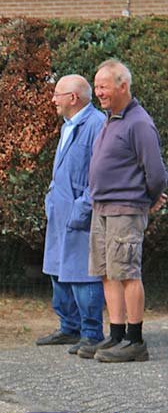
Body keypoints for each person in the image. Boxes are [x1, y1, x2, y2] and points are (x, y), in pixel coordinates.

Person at [82, 59, 168, 363]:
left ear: (123, 86)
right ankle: (116, 335)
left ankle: (135, 340)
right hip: (102, 207)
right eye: (96, 85)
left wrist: (147, 199)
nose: (98, 92)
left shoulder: (139, 123)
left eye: (103, 86)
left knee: (128, 273)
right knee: (108, 273)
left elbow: (156, 173)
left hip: (124, 209)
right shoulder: (111, 118)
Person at [36, 75, 106, 355]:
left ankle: (91, 333)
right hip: (60, 210)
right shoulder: (69, 126)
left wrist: (82, 208)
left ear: (73, 98)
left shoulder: (97, 125)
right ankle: (69, 327)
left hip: (81, 214)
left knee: (83, 275)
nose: (53, 99)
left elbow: (99, 175)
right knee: (58, 270)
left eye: (57, 94)